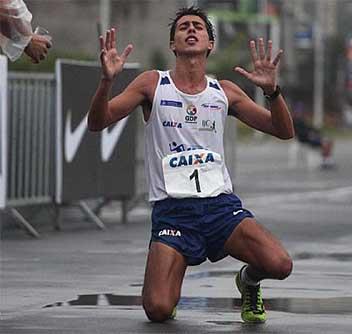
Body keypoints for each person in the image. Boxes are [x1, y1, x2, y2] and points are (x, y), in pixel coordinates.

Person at [88, 6, 294, 324]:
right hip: (174, 212)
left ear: (209, 44)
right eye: (183, 27)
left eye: (198, 26)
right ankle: (173, 277)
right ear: (173, 44)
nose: (191, 30)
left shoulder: (223, 92)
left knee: (280, 264)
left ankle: (249, 282)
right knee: (157, 309)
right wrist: (106, 81)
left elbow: (283, 130)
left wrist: (272, 91)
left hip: (220, 209)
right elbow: (98, 122)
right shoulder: (153, 84)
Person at [292, 102, 335, 169]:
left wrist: (317, 131)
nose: (299, 113)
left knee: (329, 141)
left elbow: (309, 128)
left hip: (311, 137)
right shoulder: (294, 121)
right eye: (298, 111)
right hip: (305, 139)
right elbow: (299, 132)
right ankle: (325, 162)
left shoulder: (301, 120)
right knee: (325, 143)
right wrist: (309, 134)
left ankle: (328, 160)